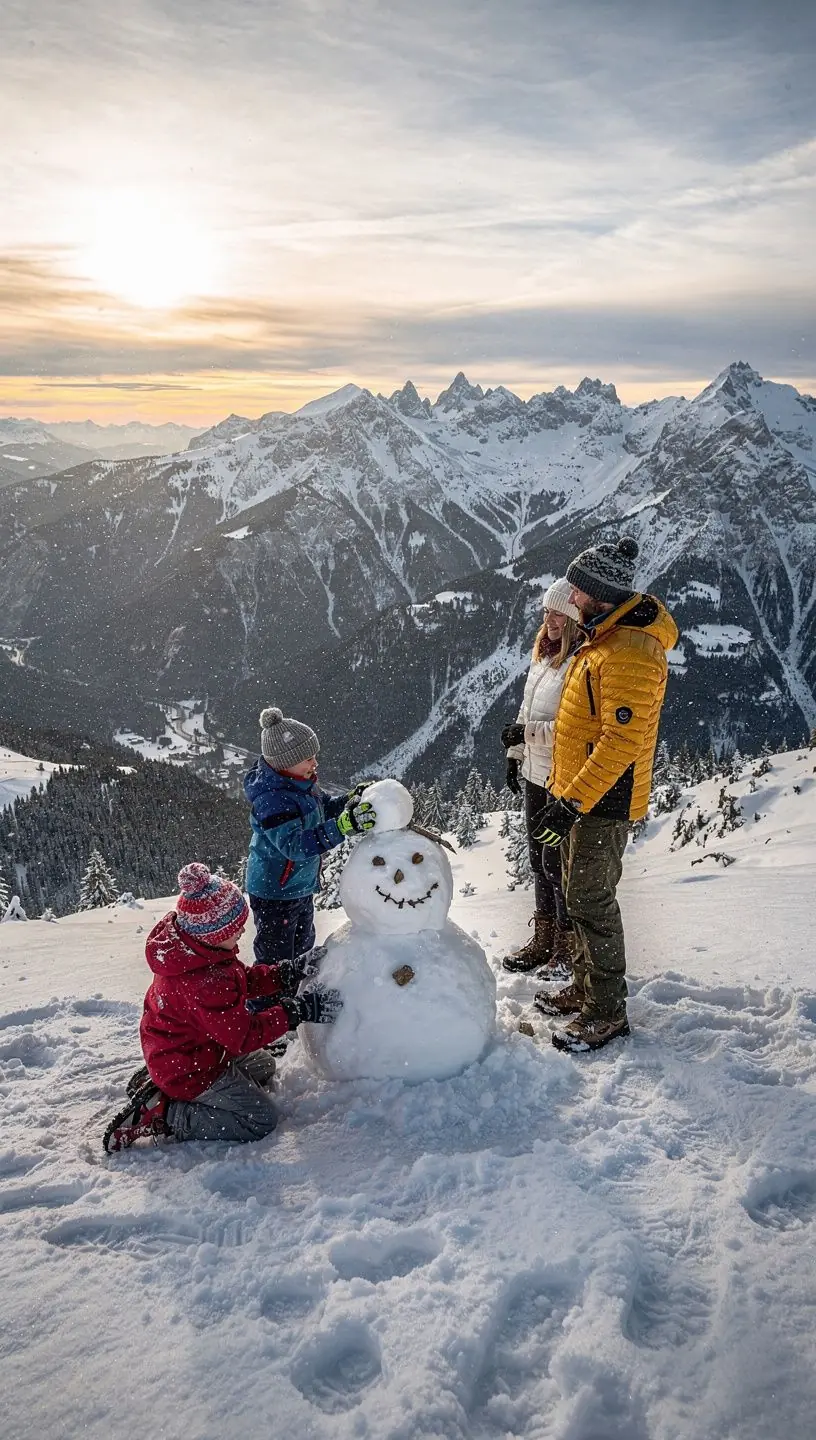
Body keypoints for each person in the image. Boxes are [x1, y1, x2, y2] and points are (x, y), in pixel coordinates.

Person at [531, 537, 679, 1053]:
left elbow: (622, 741)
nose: (569, 598)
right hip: (583, 793)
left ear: (598, 594)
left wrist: (572, 803)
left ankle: (607, 1012)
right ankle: (586, 988)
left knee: (591, 899)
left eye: (576, 590)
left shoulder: (631, 650)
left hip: (603, 799)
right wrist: (564, 792)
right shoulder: (606, 637)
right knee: (576, 894)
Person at [103, 863, 342, 1151]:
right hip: (192, 1069)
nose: (243, 929)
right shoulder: (205, 980)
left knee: (264, 1065)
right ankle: (167, 1114)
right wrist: (295, 1011)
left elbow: (240, 981)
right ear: (213, 934)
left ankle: (160, 1079)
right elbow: (243, 1036)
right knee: (259, 1119)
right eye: (236, 927)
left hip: (193, 1050)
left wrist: (286, 973)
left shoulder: (198, 951)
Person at [243, 706, 376, 966]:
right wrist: (342, 827)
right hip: (274, 894)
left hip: (298, 887)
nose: (315, 763)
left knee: (302, 949)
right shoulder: (272, 801)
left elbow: (322, 808)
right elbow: (294, 846)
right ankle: (270, 1005)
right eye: (308, 758)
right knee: (277, 961)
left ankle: (296, 997)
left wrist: (348, 800)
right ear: (285, 762)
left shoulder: (302, 783)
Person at [500, 578, 581, 975]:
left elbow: (574, 729)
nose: (549, 620)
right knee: (537, 859)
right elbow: (526, 710)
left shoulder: (576, 662)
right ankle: (545, 938)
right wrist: (516, 754)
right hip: (535, 771)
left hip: (560, 776)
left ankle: (566, 946)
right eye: (547, 612)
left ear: (574, 619)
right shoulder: (543, 657)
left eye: (559, 614)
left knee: (555, 862)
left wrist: (526, 735)